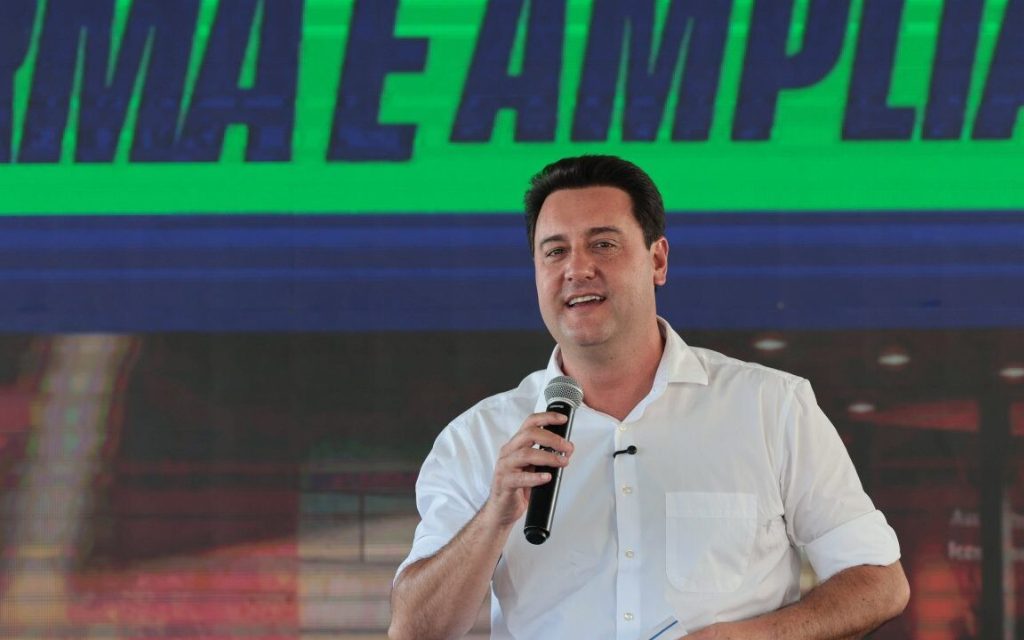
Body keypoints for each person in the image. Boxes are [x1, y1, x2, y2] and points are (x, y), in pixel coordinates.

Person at [389, 156, 909, 640]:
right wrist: (495, 517)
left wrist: (752, 637)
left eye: (603, 244)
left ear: (657, 259)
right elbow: (413, 629)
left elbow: (880, 583)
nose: (577, 268)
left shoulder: (771, 406)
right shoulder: (478, 438)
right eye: (555, 251)